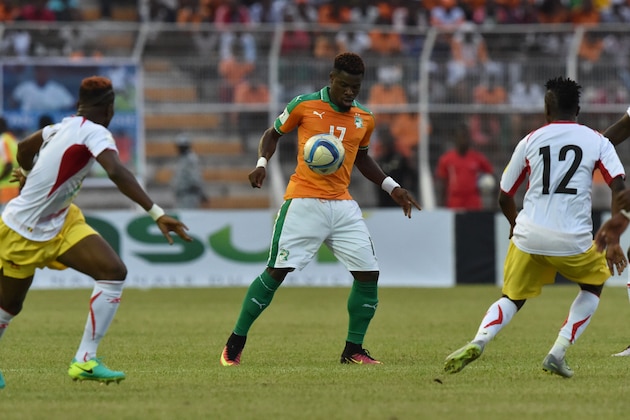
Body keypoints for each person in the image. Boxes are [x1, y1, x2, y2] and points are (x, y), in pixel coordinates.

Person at [219, 52, 421, 367]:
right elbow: (273, 134)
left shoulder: (364, 118)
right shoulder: (304, 105)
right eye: (344, 85)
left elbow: (362, 158)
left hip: (342, 205)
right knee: (276, 272)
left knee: (368, 275)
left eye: (356, 87)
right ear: (332, 79)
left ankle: (353, 350)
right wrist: (261, 163)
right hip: (304, 201)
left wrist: (392, 187)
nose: (350, 92)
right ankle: (235, 342)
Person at [0, 76, 192, 389]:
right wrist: (157, 213)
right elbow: (116, 171)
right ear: (109, 107)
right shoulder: (96, 132)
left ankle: (85, 360)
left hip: (61, 221)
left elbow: (24, 147)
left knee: (113, 271)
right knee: (8, 306)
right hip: (23, 231)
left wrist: (28, 171)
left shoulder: (62, 126)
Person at [443, 77, 628, 378]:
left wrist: (515, 225)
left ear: (546, 109)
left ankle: (480, 340)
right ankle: (558, 351)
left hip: (528, 236)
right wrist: (616, 232)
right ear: (578, 109)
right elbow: (620, 189)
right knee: (593, 285)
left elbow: (505, 195)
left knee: (512, 298)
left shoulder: (529, 141)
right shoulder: (598, 141)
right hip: (574, 240)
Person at [435, 122, 494, 210]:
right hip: (454, 202)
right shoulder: (446, 159)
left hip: (473, 201)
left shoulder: (477, 158)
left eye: (466, 137)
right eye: (461, 137)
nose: (464, 140)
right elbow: (442, 183)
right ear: (456, 139)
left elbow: (492, 175)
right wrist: (441, 205)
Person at [172, 133, 208, 209]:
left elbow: (195, 177)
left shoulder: (191, 159)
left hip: (189, 195)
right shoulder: (182, 159)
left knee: (188, 217)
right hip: (181, 195)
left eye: (182, 146)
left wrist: (202, 192)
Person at [0, 118, 19, 210]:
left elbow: (9, 164)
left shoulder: (3, 140)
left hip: (4, 186)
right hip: (15, 185)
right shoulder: (13, 139)